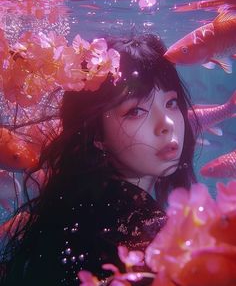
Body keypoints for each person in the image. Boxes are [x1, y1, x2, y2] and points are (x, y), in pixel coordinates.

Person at [0, 33, 199, 286]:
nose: (167, 124)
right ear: (96, 133)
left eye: (171, 103)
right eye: (136, 111)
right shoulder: (148, 238)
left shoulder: (76, 208)